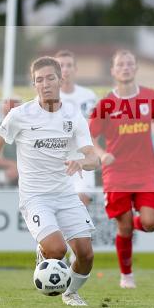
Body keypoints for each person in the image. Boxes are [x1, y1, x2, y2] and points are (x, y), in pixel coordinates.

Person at [0, 56, 100, 307]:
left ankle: (70, 293)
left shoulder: (74, 116)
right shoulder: (20, 115)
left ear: (61, 80)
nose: (45, 84)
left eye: (50, 78)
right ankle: (44, 251)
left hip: (65, 194)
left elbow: (93, 158)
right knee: (57, 249)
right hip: (35, 197)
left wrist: (81, 162)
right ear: (34, 84)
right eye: (39, 80)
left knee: (86, 254)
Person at [89, 49, 154, 289]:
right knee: (123, 227)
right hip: (117, 173)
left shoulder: (151, 96)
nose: (125, 67)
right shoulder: (105, 104)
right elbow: (90, 137)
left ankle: (134, 222)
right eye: (120, 64)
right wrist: (102, 154)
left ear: (135, 68)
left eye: (129, 63)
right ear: (113, 71)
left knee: (151, 223)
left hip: (145, 170)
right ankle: (127, 276)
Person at [56, 50, 98, 208]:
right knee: (58, 208)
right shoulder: (46, 97)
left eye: (69, 65)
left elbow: (95, 128)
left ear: (75, 69)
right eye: (61, 66)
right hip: (57, 160)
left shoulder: (88, 96)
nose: (65, 69)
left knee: (81, 201)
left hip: (82, 157)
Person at [0, 99, 21, 187]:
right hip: (6, 176)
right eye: (7, 113)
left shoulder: (29, 128)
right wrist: (15, 167)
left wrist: (19, 169)